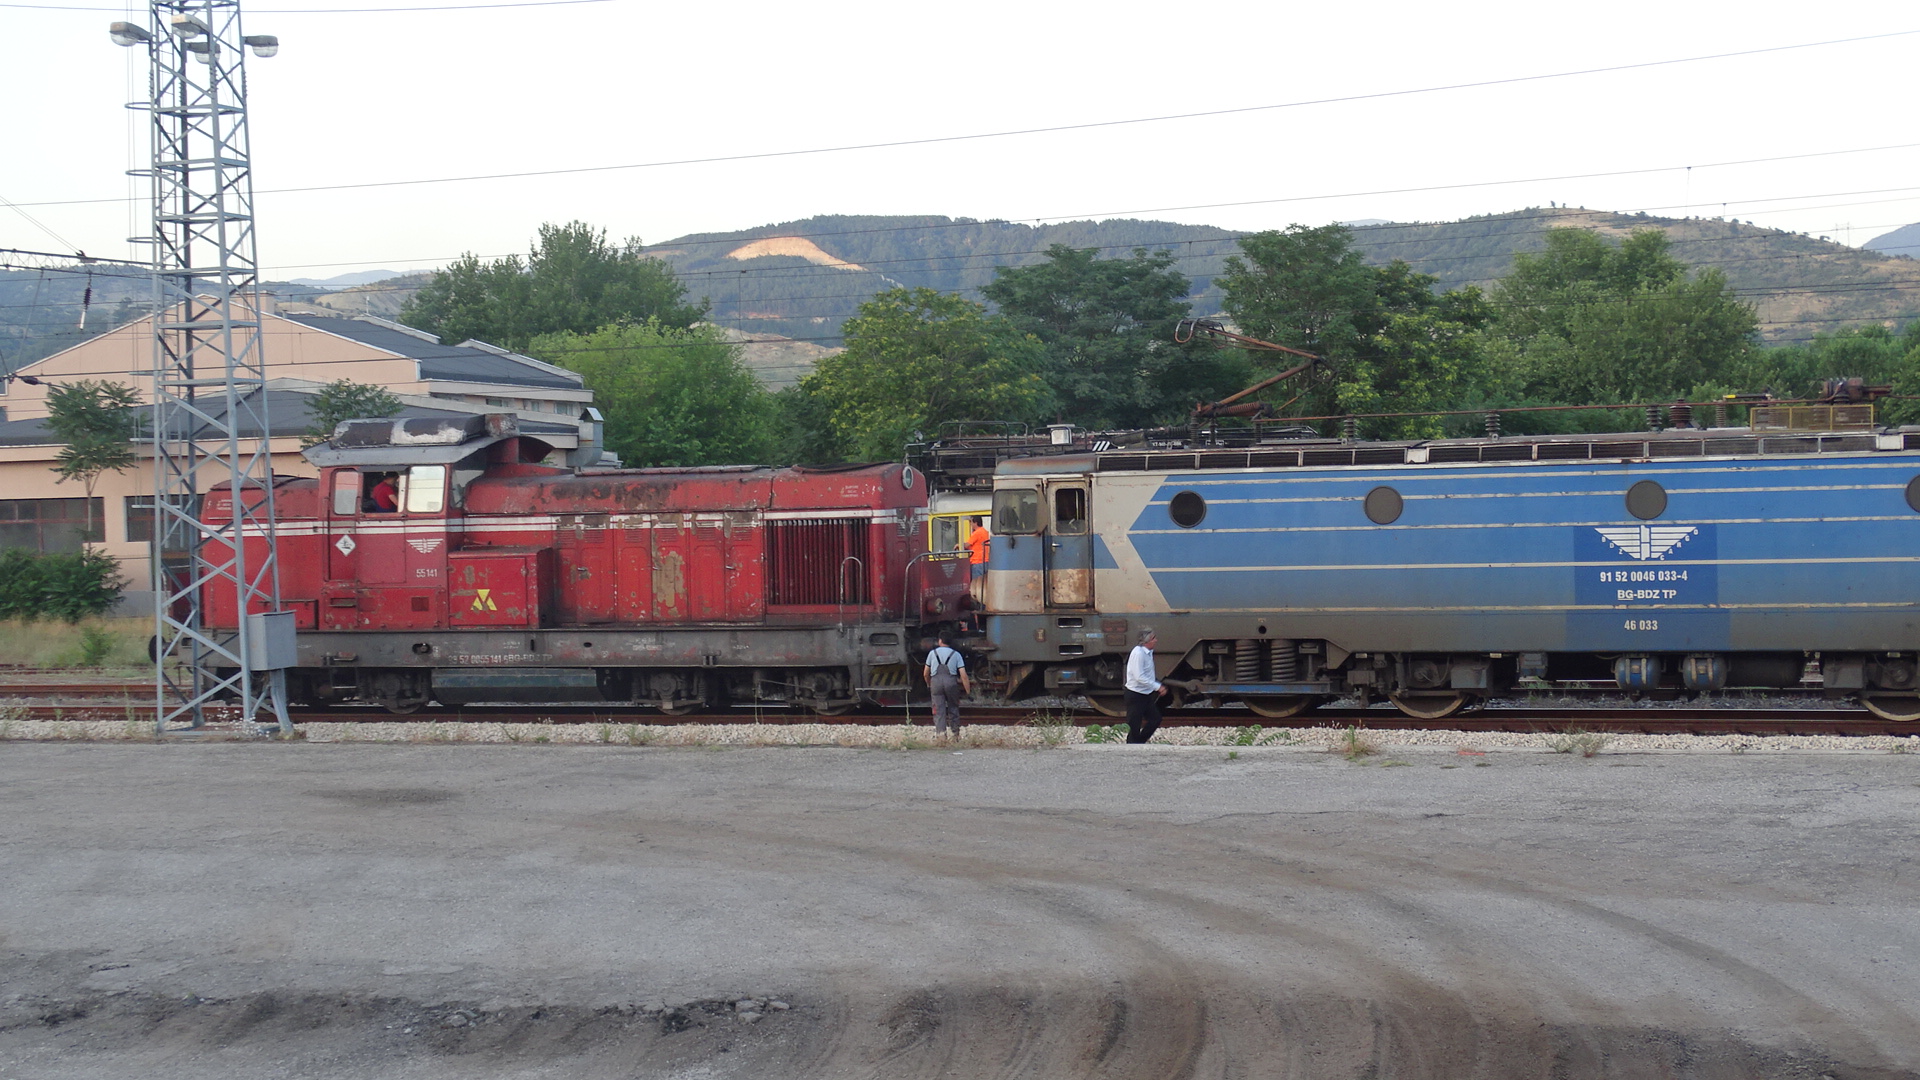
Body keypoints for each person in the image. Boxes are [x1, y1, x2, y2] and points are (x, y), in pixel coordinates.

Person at [923, 632, 971, 739]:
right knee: (953, 708)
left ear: (940, 641)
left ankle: (941, 736)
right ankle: (955, 735)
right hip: (951, 683)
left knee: (938, 709)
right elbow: (964, 676)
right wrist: (968, 691)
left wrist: (928, 684)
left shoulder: (932, 653)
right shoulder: (956, 654)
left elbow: (926, 673)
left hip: (936, 683)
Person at [1124, 627, 1168, 744]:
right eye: (1153, 638)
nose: (1156, 640)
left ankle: (1139, 742)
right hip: (1135, 694)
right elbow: (1139, 676)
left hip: (1145, 694)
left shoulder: (1147, 653)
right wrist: (1157, 686)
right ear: (1146, 641)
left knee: (1155, 719)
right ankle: (1132, 746)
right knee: (1134, 725)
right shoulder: (1138, 653)